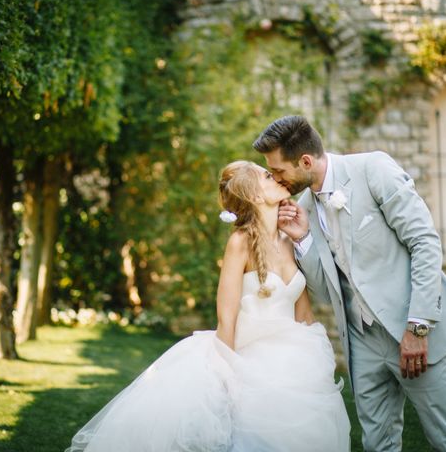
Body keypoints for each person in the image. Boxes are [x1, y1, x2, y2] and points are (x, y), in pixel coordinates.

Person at [65, 160, 350, 452]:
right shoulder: (240, 243)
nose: (276, 176)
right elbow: (226, 318)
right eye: (267, 175)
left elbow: (303, 313)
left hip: (293, 363)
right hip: (249, 363)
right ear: (253, 195)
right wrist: (225, 380)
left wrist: (313, 362)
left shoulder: (290, 240)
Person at [253, 115, 446, 451]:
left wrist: (418, 327)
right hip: (361, 343)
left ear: (305, 161)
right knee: (377, 444)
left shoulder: (373, 169)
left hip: (414, 333)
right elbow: (324, 292)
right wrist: (303, 240)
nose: (275, 178)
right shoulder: (302, 209)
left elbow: (425, 243)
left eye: (279, 170)